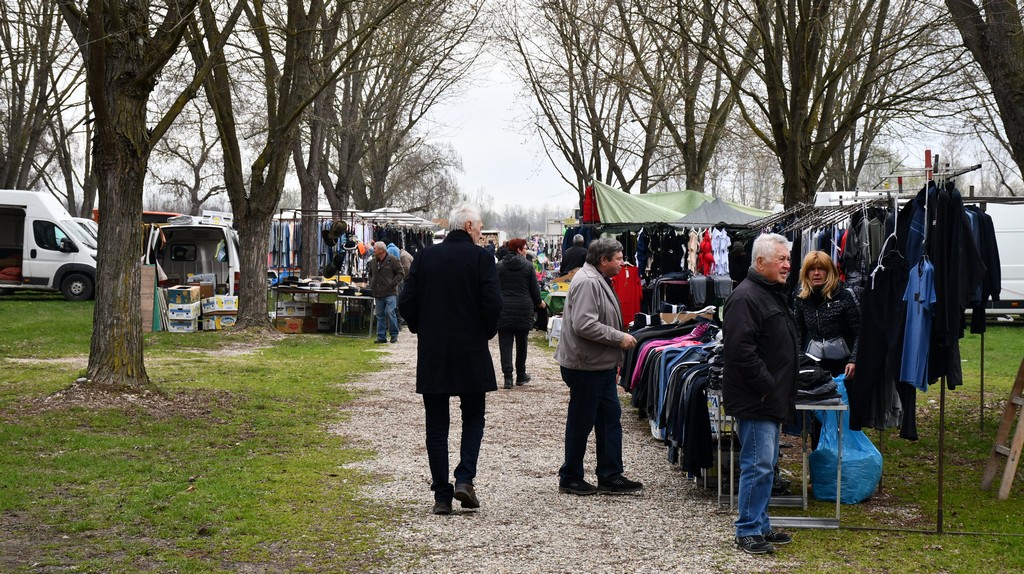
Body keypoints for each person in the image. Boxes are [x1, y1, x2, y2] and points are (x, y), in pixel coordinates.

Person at [398, 204, 502, 516]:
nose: (481, 232)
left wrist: (422, 328)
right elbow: (494, 303)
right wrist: (484, 331)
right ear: (469, 225)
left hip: (434, 350)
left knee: (436, 425)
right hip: (470, 348)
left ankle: (442, 495)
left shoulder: (427, 255)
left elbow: (406, 300)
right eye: (480, 226)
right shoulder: (481, 257)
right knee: (473, 416)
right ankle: (464, 478)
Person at [722, 233, 798, 554]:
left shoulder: (770, 293)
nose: (787, 265)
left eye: (788, 259)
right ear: (760, 262)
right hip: (757, 400)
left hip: (769, 398)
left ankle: (761, 524)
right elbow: (740, 351)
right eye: (781, 259)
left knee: (766, 464)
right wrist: (767, 386)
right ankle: (748, 530)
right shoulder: (746, 297)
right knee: (758, 465)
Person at [555, 237, 643, 496]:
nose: (622, 262)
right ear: (603, 260)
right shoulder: (589, 282)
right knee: (581, 422)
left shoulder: (596, 279)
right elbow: (585, 324)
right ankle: (570, 476)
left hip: (597, 365)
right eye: (617, 258)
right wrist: (619, 337)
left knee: (609, 420)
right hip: (586, 367)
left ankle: (610, 475)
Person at [793, 251, 860, 378]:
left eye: (821, 269)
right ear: (806, 273)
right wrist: (797, 359)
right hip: (813, 363)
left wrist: (854, 360)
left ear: (829, 272)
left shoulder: (844, 296)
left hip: (844, 365)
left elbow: (859, 332)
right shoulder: (801, 298)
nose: (816, 273)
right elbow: (798, 332)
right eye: (812, 269)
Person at [496, 238, 547, 389]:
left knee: (505, 344)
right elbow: (534, 290)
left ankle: (507, 377)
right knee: (521, 343)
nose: (526, 250)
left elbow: (494, 288)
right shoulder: (528, 266)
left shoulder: (499, 266)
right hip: (523, 309)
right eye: (524, 248)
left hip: (504, 308)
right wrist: (540, 303)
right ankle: (521, 375)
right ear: (518, 250)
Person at [368, 241, 405, 344]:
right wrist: (371, 283)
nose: (373, 250)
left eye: (374, 248)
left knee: (390, 312)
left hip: (390, 292)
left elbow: (401, 273)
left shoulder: (393, 260)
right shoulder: (374, 261)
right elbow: (370, 273)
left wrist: (392, 283)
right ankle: (381, 337)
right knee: (380, 315)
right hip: (378, 292)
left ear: (381, 250)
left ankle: (394, 334)